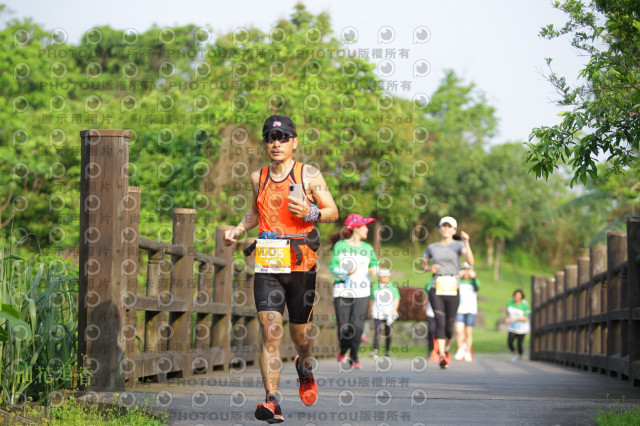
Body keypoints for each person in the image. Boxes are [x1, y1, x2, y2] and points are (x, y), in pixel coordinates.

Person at [223, 114, 338, 423]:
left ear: (294, 142)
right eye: (271, 138)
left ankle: (304, 367)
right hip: (269, 262)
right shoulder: (257, 177)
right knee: (270, 330)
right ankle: (271, 400)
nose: (276, 143)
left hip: (301, 265)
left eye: (283, 137)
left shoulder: (308, 174)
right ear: (265, 143)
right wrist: (238, 229)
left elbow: (332, 211)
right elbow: (254, 211)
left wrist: (312, 212)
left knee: (301, 338)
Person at [421, 216, 474, 369]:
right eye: (443, 226)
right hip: (436, 286)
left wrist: (467, 242)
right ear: (440, 228)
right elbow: (423, 265)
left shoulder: (458, 245)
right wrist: (430, 268)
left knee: (449, 326)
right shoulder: (432, 247)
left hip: (452, 286)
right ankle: (442, 355)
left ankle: (447, 348)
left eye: (449, 226)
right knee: (440, 322)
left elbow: (471, 262)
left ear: (454, 230)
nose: (446, 228)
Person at [329, 213, 379, 369]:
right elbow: (333, 267)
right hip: (342, 291)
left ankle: (354, 357)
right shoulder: (340, 246)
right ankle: (344, 349)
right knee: (344, 326)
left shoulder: (368, 248)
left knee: (357, 326)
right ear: (356, 228)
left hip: (362, 292)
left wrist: (374, 270)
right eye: (364, 227)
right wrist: (345, 272)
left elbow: (374, 265)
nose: (367, 229)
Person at [369, 268, 400, 359]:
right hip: (377, 312)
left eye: (386, 276)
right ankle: (375, 350)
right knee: (377, 331)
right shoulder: (375, 286)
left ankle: (387, 351)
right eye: (383, 276)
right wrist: (370, 310)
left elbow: (396, 298)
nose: (384, 278)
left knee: (388, 332)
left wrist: (394, 310)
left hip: (389, 313)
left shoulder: (393, 286)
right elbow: (372, 299)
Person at [454, 262, 480, 362]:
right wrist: (458, 277)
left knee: (469, 332)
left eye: (468, 270)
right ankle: (460, 348)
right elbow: (454, 288)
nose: (466, 272)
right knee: (459, 331)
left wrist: (473, 278)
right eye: (464, 269)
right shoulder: (458, 281)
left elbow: (476, 288)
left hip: (471, 309)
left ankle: (468, 351)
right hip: (460, 309)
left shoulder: (474, 281)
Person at [506, 289, 531, 362]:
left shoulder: (525, 305)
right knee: (510, 342)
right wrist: (507, 319)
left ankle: (520, 356)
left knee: (519, 343)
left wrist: (517, 318)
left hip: (522, 328)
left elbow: (526, 317)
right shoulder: (510, 303)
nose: (517, 297)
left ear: (521, 297)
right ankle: (515, 354)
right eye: (516, 295)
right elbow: (508, 314)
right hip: (512, 327)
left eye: (519, 296)